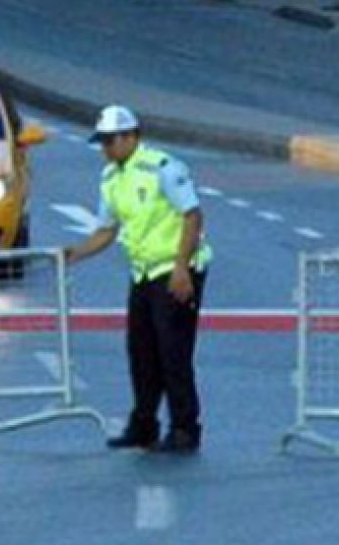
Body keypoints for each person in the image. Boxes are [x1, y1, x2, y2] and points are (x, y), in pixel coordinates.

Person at [65, 105, 212, 454]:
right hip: (143, 271)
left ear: (131, 137)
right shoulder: (111, 178)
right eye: (101, 142)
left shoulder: (162, 168)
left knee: (173, 352)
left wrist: (181, 268)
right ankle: (144, 424)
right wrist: (72, 254)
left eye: (110, 141)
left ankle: (185, 428)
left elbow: (192, 216)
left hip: (175, 269)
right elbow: (106, 230)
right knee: (141, 351)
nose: (105, 148)